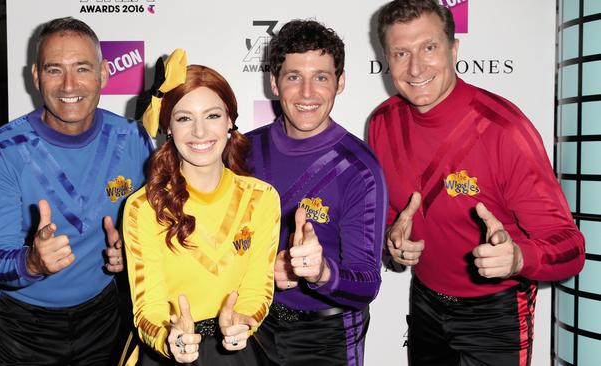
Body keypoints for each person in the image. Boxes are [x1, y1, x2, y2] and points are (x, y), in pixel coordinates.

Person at [369, 1, 586, 365]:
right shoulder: (381, 123)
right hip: (425, 302)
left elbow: (572, 248)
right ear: (386, 60)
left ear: (454, 50)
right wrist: (393, 240)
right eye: (401, 53)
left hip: (495, 313)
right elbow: (393, 217)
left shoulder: (505, 130)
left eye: (429, 47)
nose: (416, 67)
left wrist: (520, 256)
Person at [0, 17, 152, 365]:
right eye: (55, 70)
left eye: (82, 68)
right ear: (36, 75)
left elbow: (156, 228)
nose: (69, 84)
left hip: (103, 318)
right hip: (25, 326)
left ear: (103, 73)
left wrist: (131, 252)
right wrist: (33, 261)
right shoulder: (2, 149)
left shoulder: (132, 138)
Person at [122, 49, 280, 366]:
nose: (199, 131)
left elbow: (256, 288)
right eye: (184, 118)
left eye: (212, 115)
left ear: (230, 121)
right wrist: (170, 338)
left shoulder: (261, 198)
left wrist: (244, 319)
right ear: (168, 127)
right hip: (167, 353)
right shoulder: (143, 207)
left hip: (237, 352)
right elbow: (148, 306)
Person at [246, 20, 387, 366]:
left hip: (328, 337)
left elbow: (366, 283)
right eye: (294, 76)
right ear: (274, 82)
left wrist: (322, 272)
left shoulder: (359, 167)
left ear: (340, 83)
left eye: (321, 77)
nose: (307, 93)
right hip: (254, 325)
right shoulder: (243, 151)